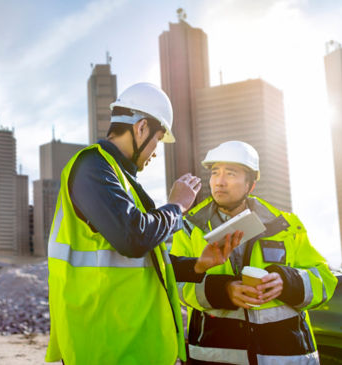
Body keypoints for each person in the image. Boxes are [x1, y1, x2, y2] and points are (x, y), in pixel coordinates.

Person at [45, 83, 242, 365]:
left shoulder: (122, 180)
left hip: (132, 344)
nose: (155, 151)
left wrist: (197, 265)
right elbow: (133, 238)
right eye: (158, 139)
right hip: (105, 347)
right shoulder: (92, 167)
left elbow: (145, 262)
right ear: (140, 129)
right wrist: (177, 207)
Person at [171, 140, 338, 365]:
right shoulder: (190, 228)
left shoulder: (286, 226)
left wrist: (287, 282)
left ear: (250, 185)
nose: (219, 182)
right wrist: (223, 290)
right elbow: (177, 285)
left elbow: (325, 279)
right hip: (215, 357)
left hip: (287, 357)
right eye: (215, 173)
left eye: (230, 174)